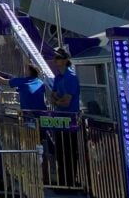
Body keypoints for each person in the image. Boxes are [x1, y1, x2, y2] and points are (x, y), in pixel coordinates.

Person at [49, 48, 81, 191]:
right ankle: (62, 181)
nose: (56, 61)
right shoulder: (57, 77)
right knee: (60, 151)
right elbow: (53, 95)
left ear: (65, 60)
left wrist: (58, 101)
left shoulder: (71, 77)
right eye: (55, 58)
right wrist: (58, 100)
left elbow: (66, 101)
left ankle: (71, 181)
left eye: (59, 58)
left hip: (70, 118)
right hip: (59, 118)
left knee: (69, 151)